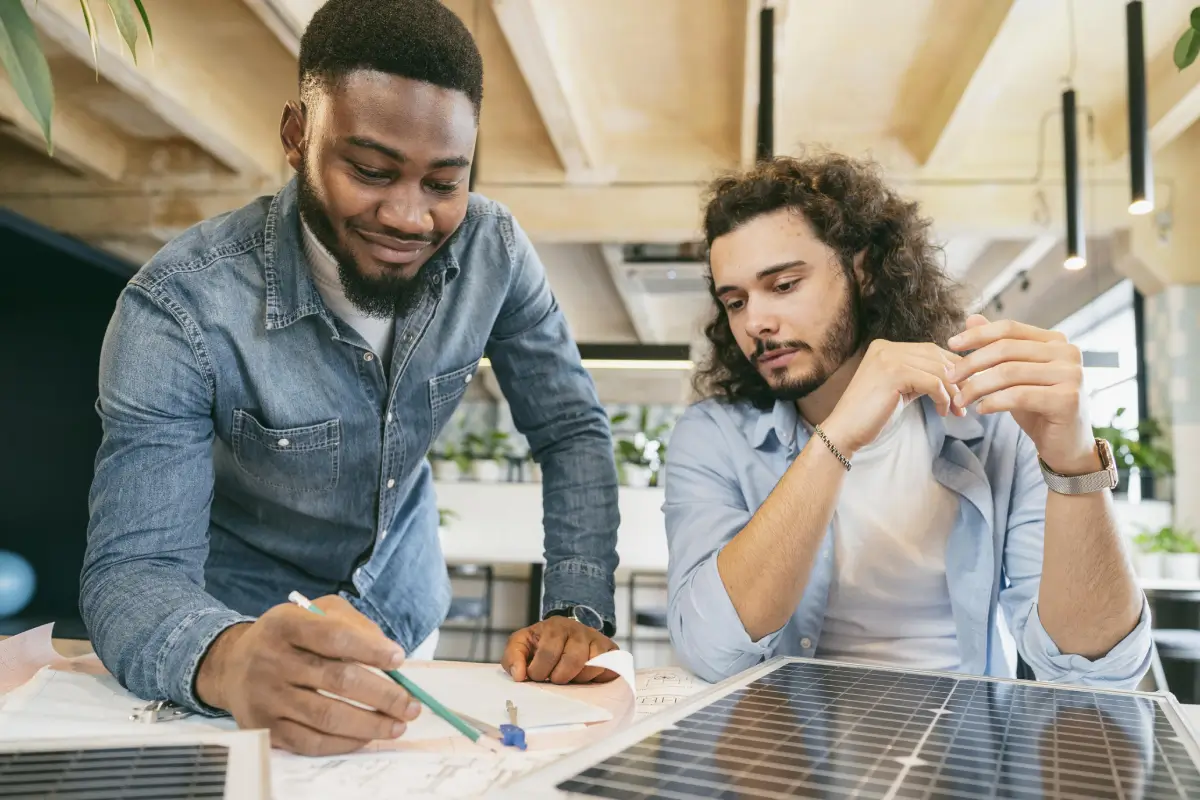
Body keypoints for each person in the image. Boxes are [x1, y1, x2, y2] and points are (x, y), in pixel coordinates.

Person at [82, 0, 620, 757]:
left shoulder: (494, 251)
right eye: (370, 171)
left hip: (406, 615)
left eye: (443, 183)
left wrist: (579, 606)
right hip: (247, 646)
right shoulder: (178, 310)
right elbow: (132, 573)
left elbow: (570, 430)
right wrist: (228, 659)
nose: (407, 216)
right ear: (297, 136)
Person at [664, 152, 1153, 688]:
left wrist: (1073, 460)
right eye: (734, 302)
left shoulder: (993, 422)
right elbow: (711, 653)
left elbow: (1099, 672)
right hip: (784, 755)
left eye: (783, 285)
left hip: (964, 746)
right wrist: (840, 434)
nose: (756, 321)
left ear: (863, 270)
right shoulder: (711, 436)